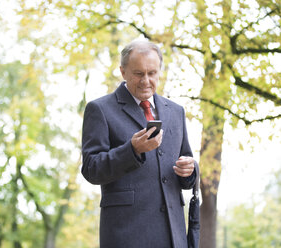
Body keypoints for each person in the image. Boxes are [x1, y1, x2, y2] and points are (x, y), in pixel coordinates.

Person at [81, 40, 199, 248]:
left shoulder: (176, 112)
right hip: (127, 236)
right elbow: (91, 169)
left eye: (152, 73)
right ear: (123, 72)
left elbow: (185, 172)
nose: (146, 80)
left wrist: (189, 171)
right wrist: (132, 151)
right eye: (138, 74)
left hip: (173, 236)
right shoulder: (100, 109)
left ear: (159, 72)